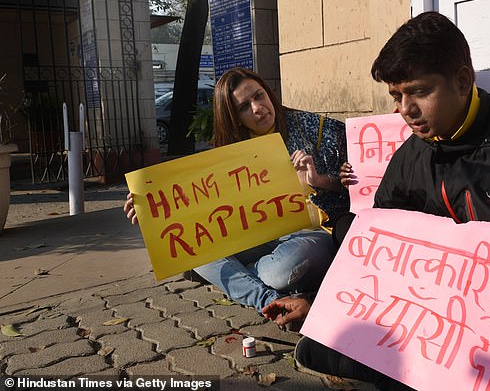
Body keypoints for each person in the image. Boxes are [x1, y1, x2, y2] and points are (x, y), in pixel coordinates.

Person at [262, 12, 490, 390]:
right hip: (444, 325)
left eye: (419, 92)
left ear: (462, 80)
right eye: (396, 96)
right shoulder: (411, 156)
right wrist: (319, 301)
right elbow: (379, 255)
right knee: (326, 343)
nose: (404, 109)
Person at [124, 67, 350, 313]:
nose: (257, 108)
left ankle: (245, 277)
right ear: (234, 117)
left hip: (312, 237)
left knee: (280, 270)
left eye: (259, 96)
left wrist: (319, 180)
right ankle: (268, 300)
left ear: (268, 93)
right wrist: (151, 210)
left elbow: (360, 182)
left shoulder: (312, 127)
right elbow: (197, 208)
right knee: (192, 251)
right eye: (244, 107)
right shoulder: (230, 155)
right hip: (261, 237)